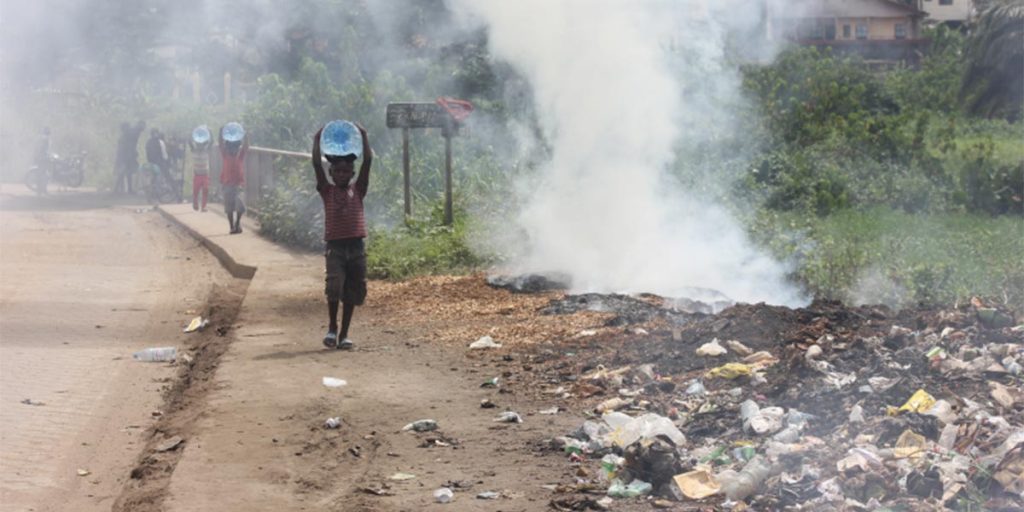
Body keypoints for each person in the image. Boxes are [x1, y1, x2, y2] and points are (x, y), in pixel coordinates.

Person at [311, 122, 372, 350]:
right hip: (335, 248)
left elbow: (368, 161)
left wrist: (364, 136)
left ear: (352, 174)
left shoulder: (358, 189)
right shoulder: (326, 191)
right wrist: (317, 141)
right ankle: (332, 327)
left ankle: (345, 334)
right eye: (337, 171)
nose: (341, 174)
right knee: (334, 286)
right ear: (331, 173)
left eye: (346, 171)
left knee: (353, 291)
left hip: (356, 247)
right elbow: (316, 163)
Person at [218, 124, 249, 234]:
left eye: (235, 148)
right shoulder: (225, 156)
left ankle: (237, 223)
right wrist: (220, 132)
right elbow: (220, 144)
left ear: (237, 148)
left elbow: (246, 147)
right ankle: (232, 226)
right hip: (227, 185)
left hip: (238, 184)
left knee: (240, 205)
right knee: (229, 208)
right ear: (228, 149)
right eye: (231, 148)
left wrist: (246, 134)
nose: (233, 150)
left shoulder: (240, 157)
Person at [114, 120, 145, 194]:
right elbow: (127, 146)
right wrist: (132, 153)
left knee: (128, 172)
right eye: (143, 125)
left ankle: (127, 189)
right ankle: (118, 189)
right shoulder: (132, 133)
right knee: (124, 172)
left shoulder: (130, 133)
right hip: (126, 156)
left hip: (127, 155)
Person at [189, 127, 212, 211]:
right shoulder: (193, 149)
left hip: (205, 174)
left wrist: (209, 133)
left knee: (205, 190)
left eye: (201, 144)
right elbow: (189, 142)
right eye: (198, 144)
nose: (200, 146)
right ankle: (195, 204)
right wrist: (191, 134)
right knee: (195, 191)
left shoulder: (206, 150)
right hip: (197, 174)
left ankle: (204, 206)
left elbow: (211, 142)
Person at [33, 127, 51, 194]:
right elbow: (42, 149)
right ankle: (42, 190)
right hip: (42, 158)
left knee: (41, 174)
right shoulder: (45, 139)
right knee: (44, 174)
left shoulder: (41, 138)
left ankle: (40, 190)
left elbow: (38, 149)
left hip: (40, 158)